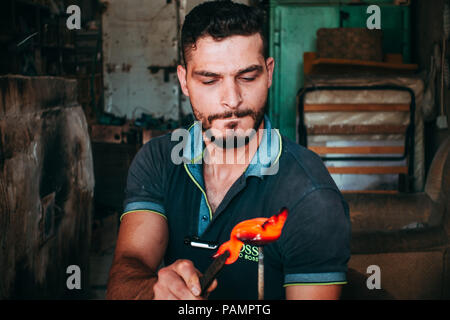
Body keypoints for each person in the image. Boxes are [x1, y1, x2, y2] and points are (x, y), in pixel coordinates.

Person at [106, 0, 351, 300]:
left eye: (248, 77)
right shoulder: (158, 160)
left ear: (269, 73)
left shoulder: (310, 195)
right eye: (210, 80)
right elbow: (123, 279)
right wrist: (152, 291)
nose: (232, 100)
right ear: (184, 81)